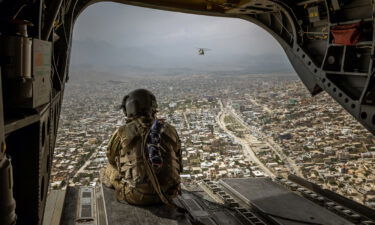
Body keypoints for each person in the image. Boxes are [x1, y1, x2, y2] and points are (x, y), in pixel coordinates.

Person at [101, 89, 182, 206]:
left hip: (136, 195)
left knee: (107, 169)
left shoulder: (121, 132)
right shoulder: (169, 129)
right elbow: (178, 157)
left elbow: (111, 159)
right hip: (170, 193)